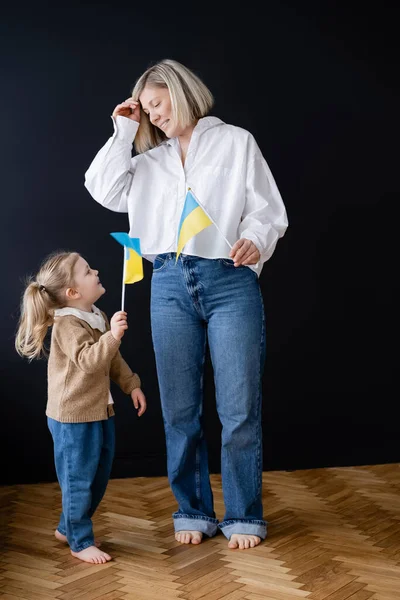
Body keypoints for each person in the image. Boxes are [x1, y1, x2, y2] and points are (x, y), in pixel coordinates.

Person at [84, 59, 288, 550]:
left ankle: (244, 515)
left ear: (181, 92)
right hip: (169, 283)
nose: (153, 115)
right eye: (146, 110)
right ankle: (192, 509)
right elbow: (102, 188)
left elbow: (267, 210)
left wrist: (255, 240)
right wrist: (123, 129)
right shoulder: (147, 161)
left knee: (239, 407)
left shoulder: (236, 142)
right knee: (180, 410)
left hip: (229, 280)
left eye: (157, 104)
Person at [15, 251, 146, 563]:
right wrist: (113, 336)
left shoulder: (95, 315)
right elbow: (89, 361)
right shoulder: (67, 325)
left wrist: (132, 384)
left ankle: (67, 527)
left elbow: (111, 359)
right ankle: (79, 541)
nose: (96, 271)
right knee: (78, 479)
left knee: (98, 473)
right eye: (88, 271)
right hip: (72, 417)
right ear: (72, 293)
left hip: (98, 409)